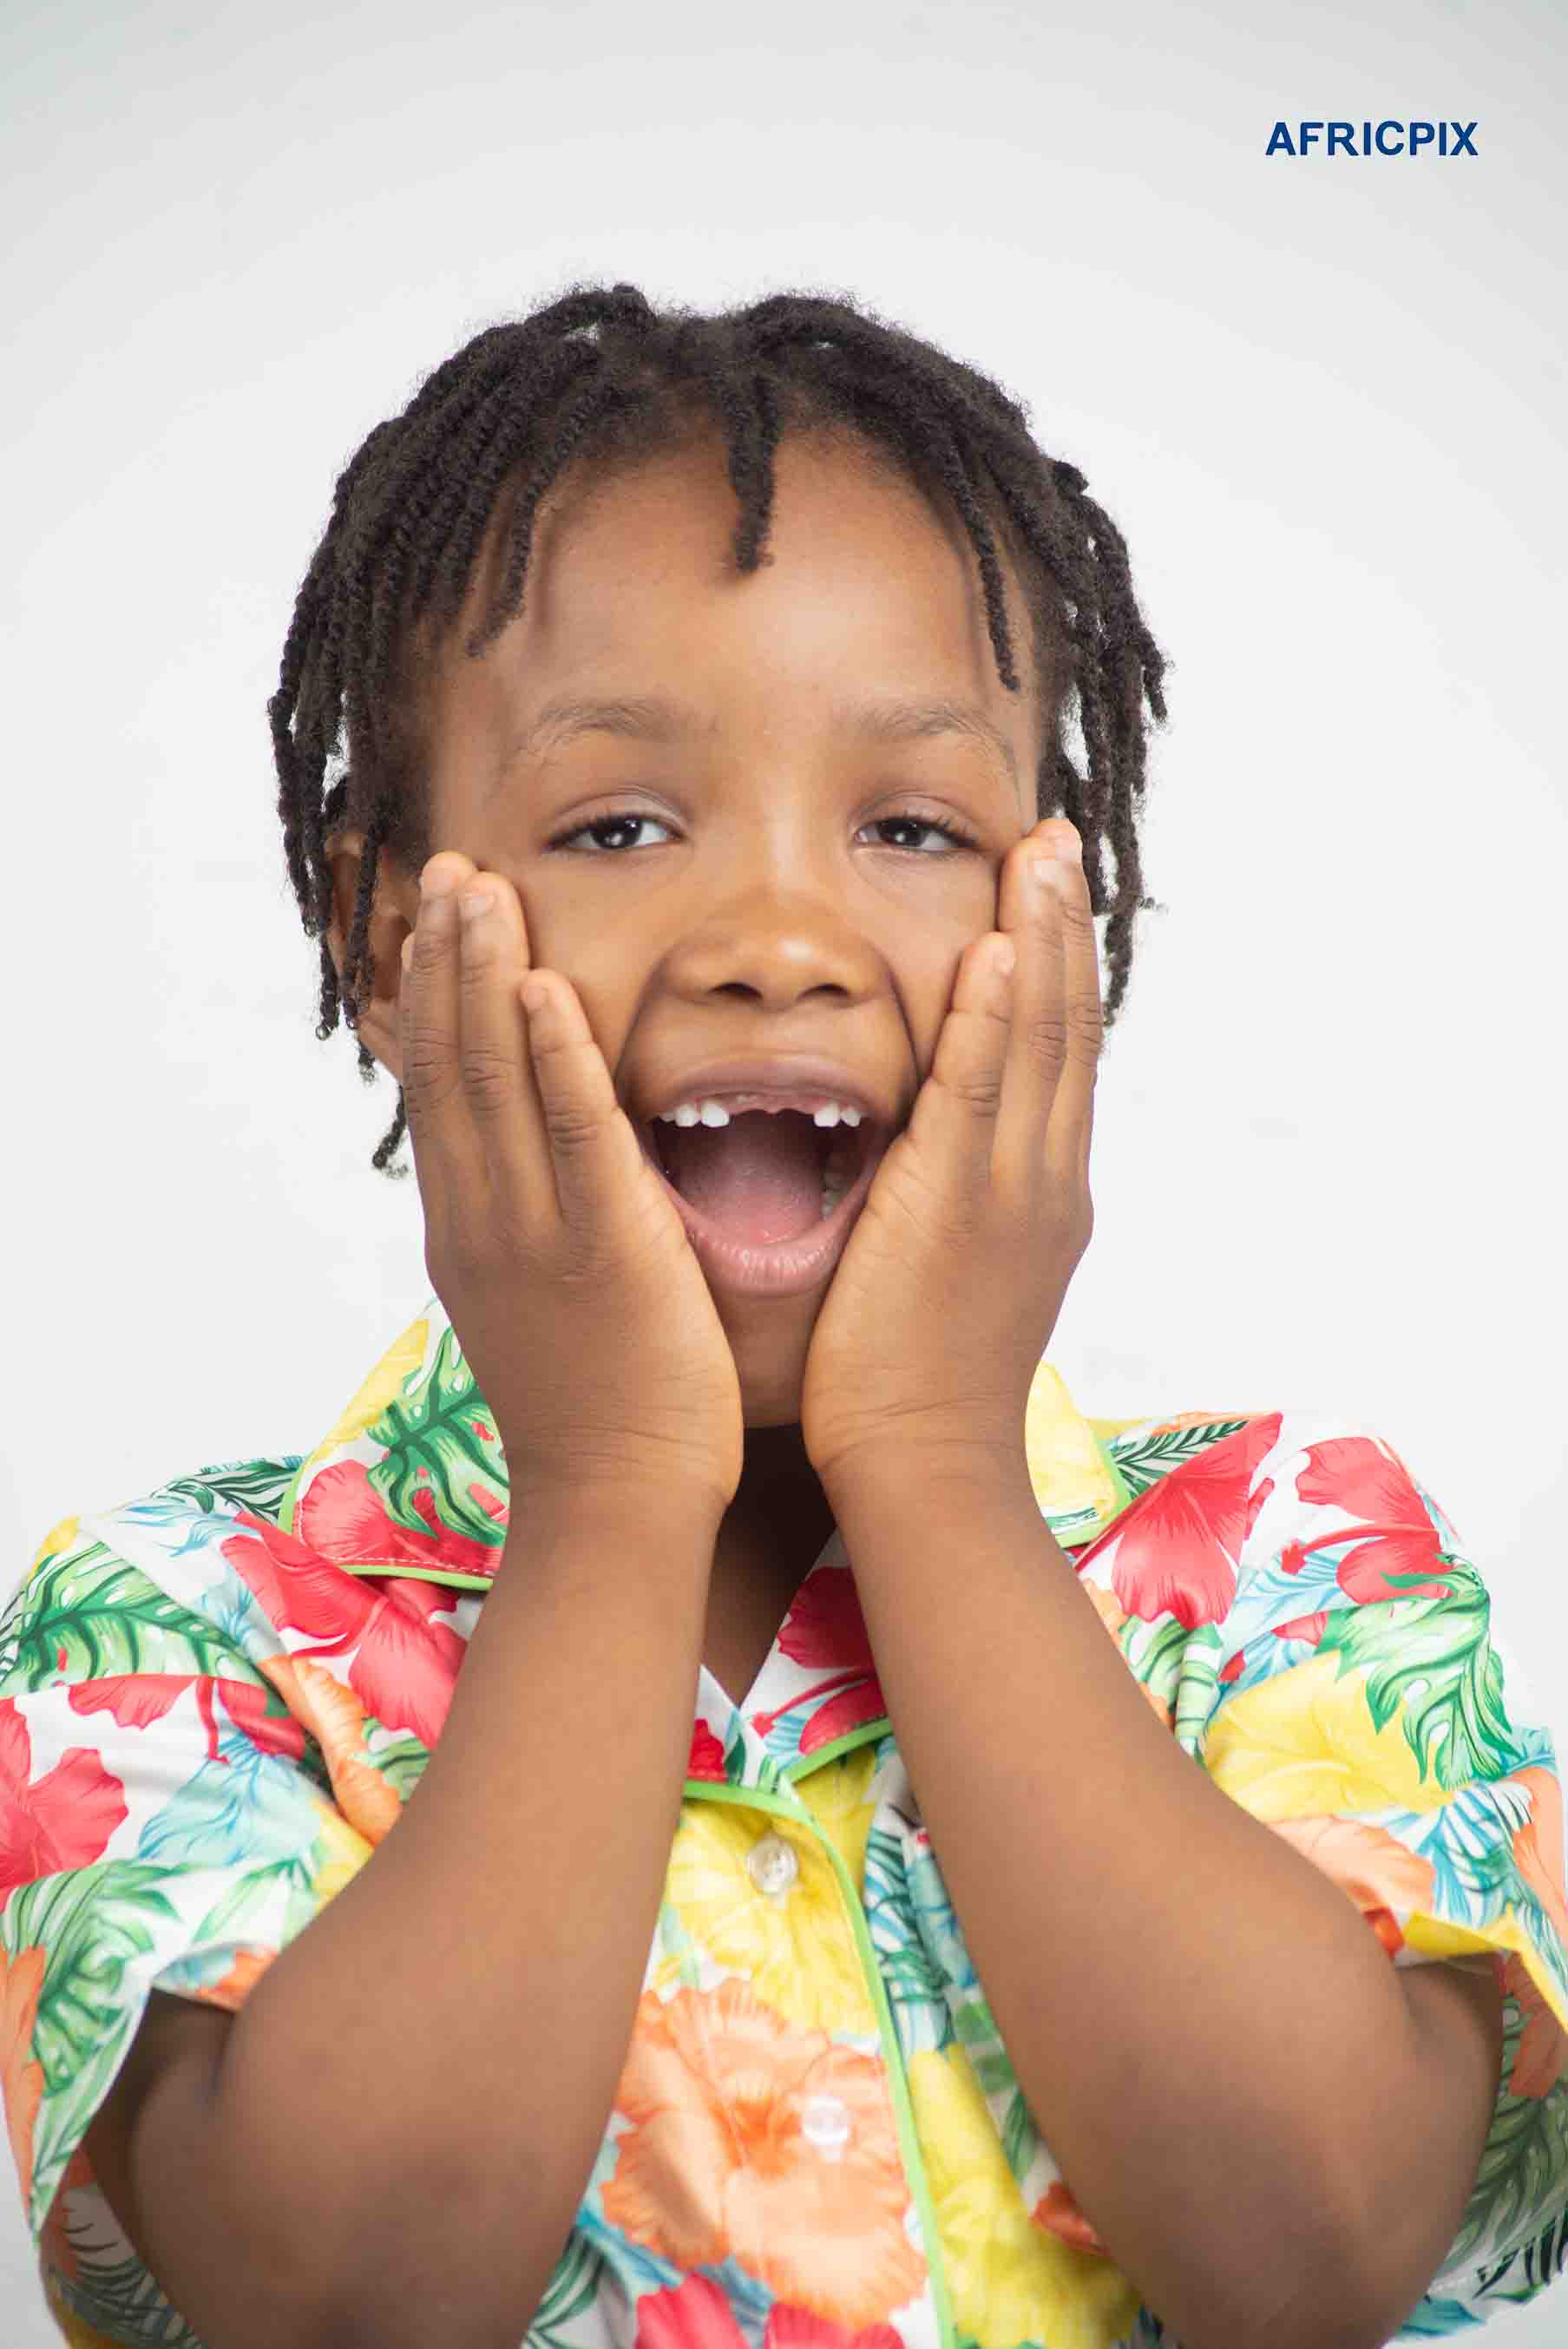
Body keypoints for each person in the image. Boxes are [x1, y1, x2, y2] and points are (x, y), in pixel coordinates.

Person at [4, 281, 1565, 2349]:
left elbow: (1305, 2257)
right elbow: (343, 2299)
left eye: (910, 825)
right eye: (621, 824)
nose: (777, 941)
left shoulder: (1289, 1561)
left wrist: (933, 1462)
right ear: (386, 934)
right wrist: (607, 1489)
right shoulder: (176, 1623)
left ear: (1060, 918)